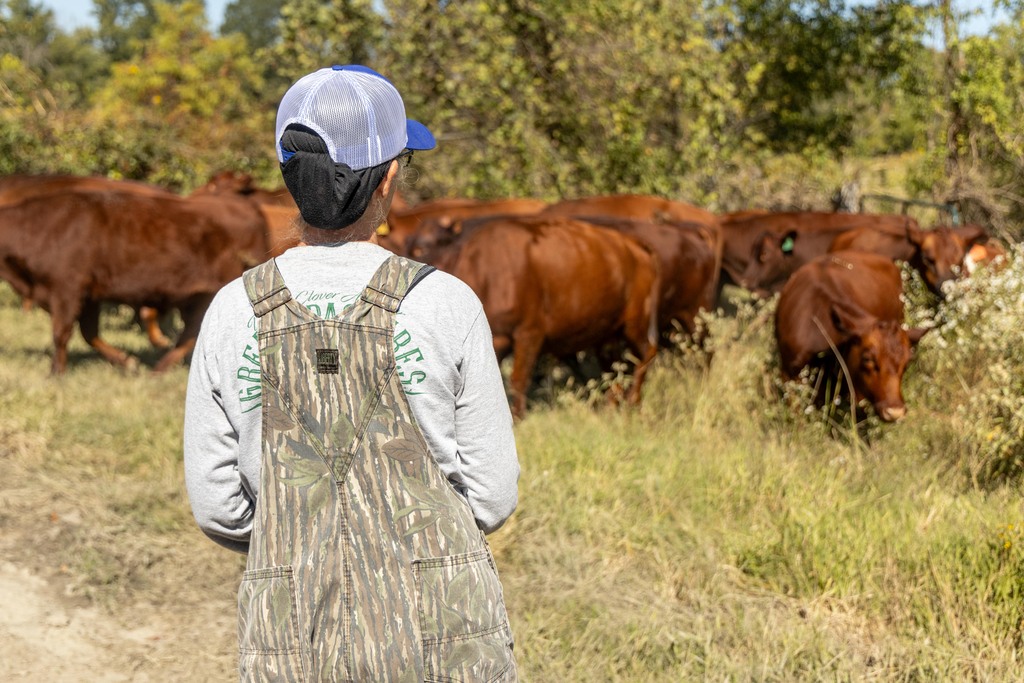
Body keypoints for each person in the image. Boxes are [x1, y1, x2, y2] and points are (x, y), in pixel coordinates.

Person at [183, 65, 520, 682]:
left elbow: (216, 507)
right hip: (440, 622)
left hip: (292, 626)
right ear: (390, 178)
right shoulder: (447, 302)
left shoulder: (232, 309)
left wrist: (298, 541)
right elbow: (493, 495)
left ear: (289, 176)